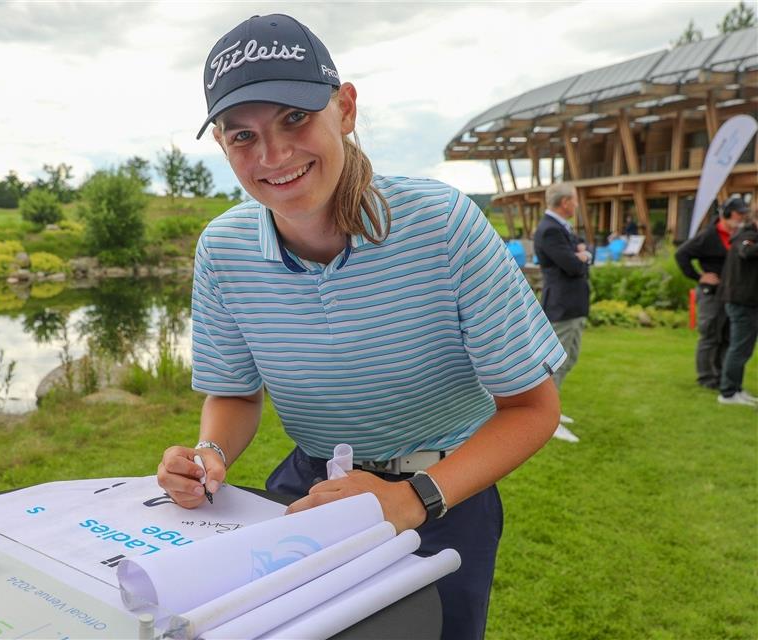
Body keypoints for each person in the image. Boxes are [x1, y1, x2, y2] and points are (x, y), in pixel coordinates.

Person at [156, 14, 566, 639]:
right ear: (221, 143)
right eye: (243, 136)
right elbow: (236, 393)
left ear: (344, 109)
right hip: (310, 488)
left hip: (444, 491)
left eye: (295, 118)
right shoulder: (223, 248)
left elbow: (532, 409)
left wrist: (412, 499)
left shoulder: (443, 224)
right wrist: (209, 455)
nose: (273, 156)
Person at [532, 183, 591, 428]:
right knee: (555, 362)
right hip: (562, 304)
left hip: (573, 303)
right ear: (565, 202)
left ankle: (552, 412)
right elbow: (573, 265)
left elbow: (585, 251)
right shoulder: (550, 230)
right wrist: (581, 256)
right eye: (575, 200)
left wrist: (583, 254)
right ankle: (547, 419)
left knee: (571, 357)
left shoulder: (561, 228)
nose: (577, 204)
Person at [675, 197, 749, 389]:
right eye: (738, 213)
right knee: (709, 335)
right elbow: (681, 254)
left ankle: (722, 376)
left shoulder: (740, 235)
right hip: (711, 293)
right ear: (726, 214)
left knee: (727, 336)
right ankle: (706, 378)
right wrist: (699, 276)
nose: (742, 217)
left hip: (730, 293)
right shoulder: (708, 236)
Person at [717, 198, 758, 406]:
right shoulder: (747, 237)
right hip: (742, 302)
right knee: (739, 348)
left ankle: (736, 388)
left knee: (744, 348)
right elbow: (746, 251)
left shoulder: (748, 235)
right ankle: (727, 392)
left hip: (746, 301)